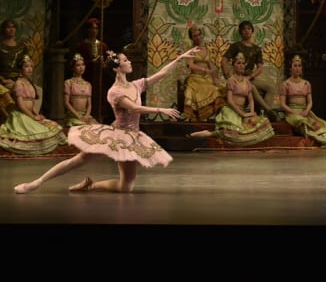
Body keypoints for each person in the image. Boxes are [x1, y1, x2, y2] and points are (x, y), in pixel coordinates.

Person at [14, 46, 201, 193]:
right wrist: (160, 109)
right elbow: (134, 108)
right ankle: (36, 183)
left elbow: (161, 74)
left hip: (132, 138)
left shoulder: (136, 85)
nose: (129, 62)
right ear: (117, 68)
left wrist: (179, 58)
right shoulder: (114, 92)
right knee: (77, 160)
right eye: (125, 60)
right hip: (115, 136)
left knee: (126, 187)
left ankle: (91, 185)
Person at [190, 53, 276, 147]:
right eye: (238, 63)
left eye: (243, 63)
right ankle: (209, 133)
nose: (241, 66)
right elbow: (230, 101)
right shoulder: (231, 80)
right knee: (233, 132)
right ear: (233, 66)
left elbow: (251, 100)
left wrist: (251, 112)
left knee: (263, 125)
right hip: (231, 110)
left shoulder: (247, 82)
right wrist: (242, 114)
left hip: (242, 111)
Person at [0, 56, 67, 155]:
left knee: (53, 126)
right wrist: (33, 117)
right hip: (20, 115)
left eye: (31, 66)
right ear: (21, 69)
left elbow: (31, 103)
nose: (30, 69)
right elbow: (21, 105)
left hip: (30, 114)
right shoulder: (18, 83)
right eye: (26, 66)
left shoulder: (29, 83)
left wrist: (37, 114)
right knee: (35, 132)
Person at [221, 20, 280, 119]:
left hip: (250, 77)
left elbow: (260, 68)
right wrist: (228, 76)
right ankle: (268, 111)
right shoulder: (236, 46)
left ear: (252, 31)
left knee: (271, 87)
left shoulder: (256, 49)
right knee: (251, 87)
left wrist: (250, 76)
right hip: (238, 78)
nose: (246, 31)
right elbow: (224, 60)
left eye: (249, 28)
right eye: (244, 29)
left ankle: (264, 116)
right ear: (240, 32)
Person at [278, 55, 326, 147]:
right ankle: (318, 139)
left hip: (305, 111)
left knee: (322, 124)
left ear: (301, 69)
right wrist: (294, 112)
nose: (297, 68)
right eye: (295, 66)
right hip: (292, 112)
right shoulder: (286, 84)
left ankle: (322, 139)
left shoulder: (306, 83)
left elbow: (310, 102)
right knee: (302, 122)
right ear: (291, 69)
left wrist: (306, 111)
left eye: (299, 66)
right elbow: (282, 104)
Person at [181, 26, 225, 122]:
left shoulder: (206, 49)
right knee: (210, 90)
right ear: (191, 38)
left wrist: (215, 78)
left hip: (206, 78)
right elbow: (191, 65)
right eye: (195, 36)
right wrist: (204, 69)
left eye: (199, 35)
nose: (198, 37)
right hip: (195, 79)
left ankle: (220, 119)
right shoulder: (190, 50)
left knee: (221, 89)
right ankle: (202, 117)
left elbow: (210, 66)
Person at [73, 17, 110, 121]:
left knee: (100, 95)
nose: (94, 31)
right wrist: (92, 62)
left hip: (100, 76)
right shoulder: (82, 45)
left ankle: (100, 116)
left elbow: (106, 62)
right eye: (92, 28)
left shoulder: (103, 46)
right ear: (87, 30)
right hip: (87, 75)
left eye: (96, 28)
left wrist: (103, 63)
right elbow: (78, 61)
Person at [63, 53, 96, 127]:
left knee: (96, 127)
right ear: (73, 67)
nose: (81, 67)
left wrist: (86, 116)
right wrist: (78, 116)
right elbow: (66, 103)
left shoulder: (88, 84)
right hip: (73, 115)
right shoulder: (68, 83)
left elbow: (89, 104)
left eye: (83, 64)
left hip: (85, 115)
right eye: (78, 65)